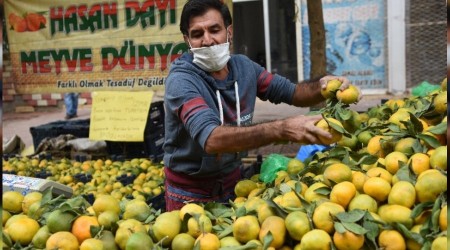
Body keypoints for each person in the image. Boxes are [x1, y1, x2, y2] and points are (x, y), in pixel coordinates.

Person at [163, 0, 359, 211]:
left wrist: (323, 86)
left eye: (215, 30)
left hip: (234, 184)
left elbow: (293, 93)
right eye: (197, 34)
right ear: (187, 40)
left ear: (229, 32)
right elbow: (211, 139)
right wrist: (281, 129)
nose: (208, 40)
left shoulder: (244, 68)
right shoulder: (182, 80)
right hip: (190, 194)